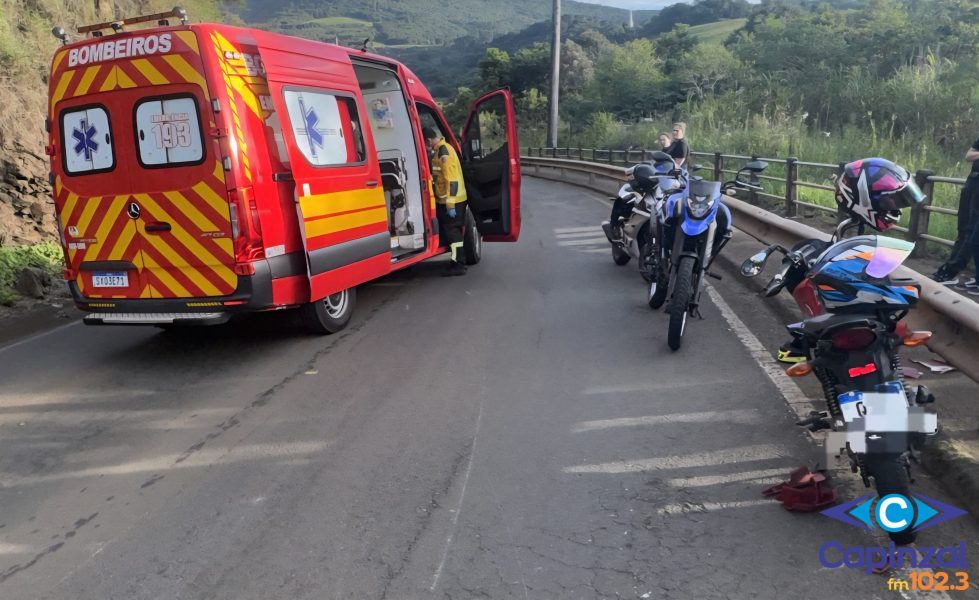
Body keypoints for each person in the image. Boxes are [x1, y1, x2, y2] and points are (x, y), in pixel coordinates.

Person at [931, 140, 979, 295]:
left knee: (973, 232)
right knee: (963, 227)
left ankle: (951, 270)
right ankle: (950, 270)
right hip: (972, 182)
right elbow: (969, 155)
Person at [423, 127, 469, 276]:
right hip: (446, 200)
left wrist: (450, 204)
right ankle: (456, 261)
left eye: (425, 143)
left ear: (429, 140)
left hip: (453, 200)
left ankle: (459, 265)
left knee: (453, 233)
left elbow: (452, 180)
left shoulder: (444, 152)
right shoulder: (439, 150)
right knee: (451, 232)